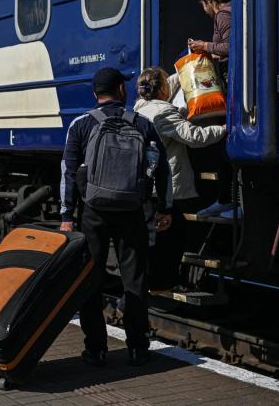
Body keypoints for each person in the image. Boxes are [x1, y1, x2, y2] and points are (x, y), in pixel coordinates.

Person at [60, 67, 173, 367]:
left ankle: (96, 349)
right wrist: (164, 208)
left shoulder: (81, 125)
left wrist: (66, 215)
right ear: (122, 92)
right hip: (132, 210)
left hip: (93, 213)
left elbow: (69, 174)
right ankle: (137, 347)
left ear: (95, 94)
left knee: (90, 280)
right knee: (134, 279)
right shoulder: (143, 124)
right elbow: (162, 170)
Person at [133, 67, 227, 289]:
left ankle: (151, 281)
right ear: (163, 89)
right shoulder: (165, 112)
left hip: (146, 185)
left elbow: (166, 83)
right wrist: (224, 129)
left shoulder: (140, 108)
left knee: (156, 238)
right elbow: (195, 137)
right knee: (171, 238)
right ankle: (161, 283)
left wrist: (188, 64)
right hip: (166, 188)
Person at [187, 0, 231, 66]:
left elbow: (230, 47)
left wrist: (204, 45)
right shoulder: (229, 10)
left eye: (203, 5)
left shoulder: (223, 15)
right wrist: (213, 52)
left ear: (209, 1)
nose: (204, 10)